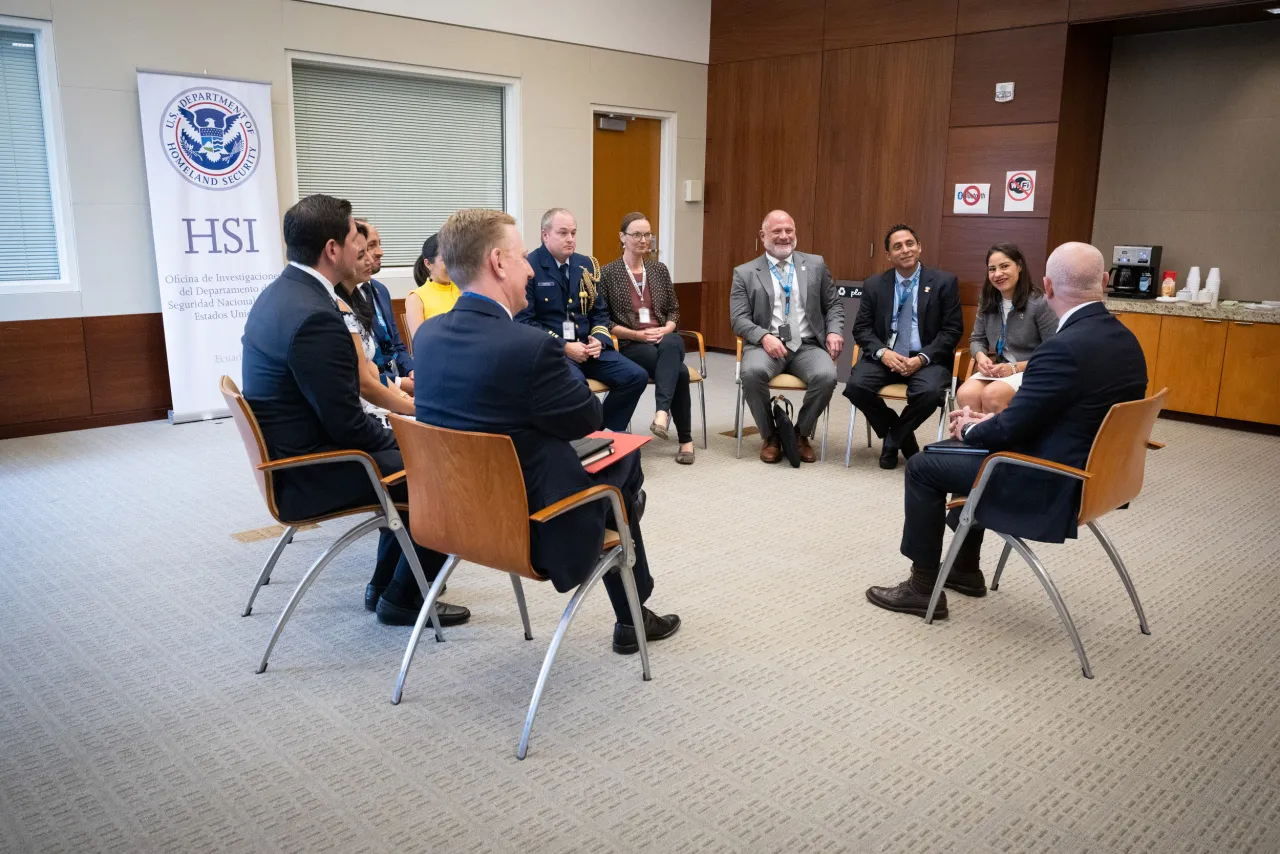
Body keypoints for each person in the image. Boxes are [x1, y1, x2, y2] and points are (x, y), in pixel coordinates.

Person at [414, 208, 681, 654]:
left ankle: (629, 540)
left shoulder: (428, 337)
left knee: (616, 465)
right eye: (521, 258)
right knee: (624, 458)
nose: (527, 268)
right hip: (536, 524)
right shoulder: (532, 347)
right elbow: (588, 423)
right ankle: (635, 608)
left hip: (457, 519)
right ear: (498, 262)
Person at [865, 242, 1148, 619]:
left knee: (925, 464)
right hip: (1097, 476)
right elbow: (1059, 413)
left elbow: (1013, 429)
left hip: (1050, 481)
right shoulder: (1127, 341)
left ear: (1047, 287)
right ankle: (964, 569)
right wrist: (989, 423)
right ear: (1105, 281)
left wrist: (969, 429)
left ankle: (921, 587)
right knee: (961, 449)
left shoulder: (1061, 349)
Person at [239, 193, 470, 627]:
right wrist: (413, 437)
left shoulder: (282, 293)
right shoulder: (315, 316)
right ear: (332, 250)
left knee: (422, 458)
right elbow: (347, 424)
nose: (361, 249)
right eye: (354, 241)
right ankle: (402, 597)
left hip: (299, 455)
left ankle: (387, 587)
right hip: (316, 468)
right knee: (449, 466)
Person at [515, 208, 648, 433]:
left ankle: (603, 432)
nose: (570, 239)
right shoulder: (529, 267)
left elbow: (599, 313)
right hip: (554, 351)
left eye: (574, 233)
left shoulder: (586, 265)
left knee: (636, 376)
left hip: (589, 348)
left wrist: (598, 339)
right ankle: (584, 440)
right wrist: (565, 346)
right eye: (563, 233)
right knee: (577, 388)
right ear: (545, 235)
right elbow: (524, 322)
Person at [843, 224, 963, 470]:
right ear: (888, 255)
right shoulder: (875, 284)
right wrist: (883, 353)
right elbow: (861, 329)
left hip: (927, 358)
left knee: (929, 393)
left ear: (919, 247)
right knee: (855, 386)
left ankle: (893, 439)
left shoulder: (944, 282)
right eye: (897, 247)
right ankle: (903, 436)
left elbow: (952, 331)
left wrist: (922, 358)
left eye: (910, 244)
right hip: (886, 357)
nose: (905, 250)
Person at [729, 209, 844, 464]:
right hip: (765, 345)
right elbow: (738, 319)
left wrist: (834, 330)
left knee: (827, 376)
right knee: (751, 373)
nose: (784, 236)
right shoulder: (745, 273)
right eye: (777, 231)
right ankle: (770, 436)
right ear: (763, 235)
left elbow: (834, 305)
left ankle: (799, 435)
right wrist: (763, 337)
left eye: (789, 231)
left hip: (807, 344)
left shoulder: (815, 265)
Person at [599, 212, 695, 465]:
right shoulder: (608, 273)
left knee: (673, 341)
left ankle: (662, 413)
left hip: (664, 340)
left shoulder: (659, 269)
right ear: (623, 237)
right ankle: (685, 439)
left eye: (648, 235)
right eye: (637, 234)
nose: (644, 240)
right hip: (632, 344)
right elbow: (605, 320)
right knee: (681, 372)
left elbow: (674, 309)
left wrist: (666, 329)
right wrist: (636, 334)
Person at [955, 243, 1058, 416]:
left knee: (992, 396)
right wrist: (981, 357)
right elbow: (977, 339)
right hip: (999, 368)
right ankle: (977, 440)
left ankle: (1003, 442)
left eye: (1004, 266)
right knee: (965, 394)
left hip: (1031, 369)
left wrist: (1015, 368)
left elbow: (1053, 353)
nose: (997, 274)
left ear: (1019, 267)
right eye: (992, 269)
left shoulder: (1040, 303)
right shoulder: (987, 298)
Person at [334, 224, 414, 425]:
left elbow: (396, 346)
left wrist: (412, 375)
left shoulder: (378, 290)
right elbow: (365, 381)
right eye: (365, 251)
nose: (377, 254)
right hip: (369, 406)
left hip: (388, 389)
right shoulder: (336, 305)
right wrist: (407, 399)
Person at [355, 218, 414, 394]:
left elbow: (397, 345)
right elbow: (363, 367)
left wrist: (413, 371)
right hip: (377, 390)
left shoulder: (380, 290)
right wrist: (399, 385)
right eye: (371, 246)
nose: (380, 252)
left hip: (400, 383)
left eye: (379, 244)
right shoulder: (341, 299)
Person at [405, 233, 461, 339]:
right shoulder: (416, 298)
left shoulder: (463, 289)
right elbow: (420, 342)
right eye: (445, 259)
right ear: (428, 264)